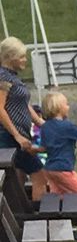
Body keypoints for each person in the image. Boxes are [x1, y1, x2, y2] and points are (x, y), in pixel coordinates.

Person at [0, 39, 41, 179]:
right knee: (39, 173)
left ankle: (21, 201)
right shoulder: (3, 78)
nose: (25, 60)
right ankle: (35, 201)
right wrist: (17, 135)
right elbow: (0, 109)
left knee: (20, 177)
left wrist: (40, 122)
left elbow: (23, 103)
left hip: (19, 135)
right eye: (21, 57)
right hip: (9, 137)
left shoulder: (13, 77)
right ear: (10, 57)